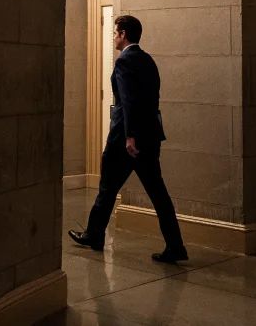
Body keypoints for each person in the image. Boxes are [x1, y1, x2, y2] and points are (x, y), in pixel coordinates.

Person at [68, 14, 188, 263]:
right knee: (158, 194)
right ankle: (175, 245)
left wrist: (130, 136)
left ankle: (94, 235)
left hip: (125, 139)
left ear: (123, 34)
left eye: (115, 32)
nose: (113, 36)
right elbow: (151, 101)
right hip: (150, 137)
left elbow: (128, 101)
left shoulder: (124, 62)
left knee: (107, 188)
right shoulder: (148, 61)